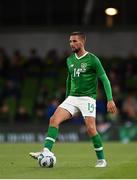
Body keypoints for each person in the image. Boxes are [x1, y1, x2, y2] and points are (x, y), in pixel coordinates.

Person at [29, 32, 117, 167]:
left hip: (87, 98)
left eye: (75, 41)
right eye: (70, 41)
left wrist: (110, 99)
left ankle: (101, 160)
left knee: (91, 128)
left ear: (82, 42)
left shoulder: (93, 59)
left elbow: (104, 79)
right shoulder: (69, 60)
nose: (71, 44)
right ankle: (45, 152)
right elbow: (69, 80)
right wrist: (66, 101)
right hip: (72, 98)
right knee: (54, 119)